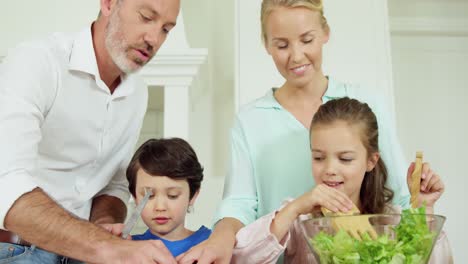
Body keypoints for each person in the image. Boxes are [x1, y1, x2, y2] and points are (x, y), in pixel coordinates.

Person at [177, 1, 414, 263]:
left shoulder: (365, 106)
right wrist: (219, 239)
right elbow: (238, 204)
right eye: (281, 45)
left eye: (307, 40)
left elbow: (400, 197)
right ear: (266, 44)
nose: (296, 56)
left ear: (325, 33)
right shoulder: (251, 120)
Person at [0, 0, 180, 262]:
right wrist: (103, 246)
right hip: (16, 250)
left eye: (166, 29)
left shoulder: (137, 94)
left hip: (81, 254)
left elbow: (114, 184)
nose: (154, 39)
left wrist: (105, 223)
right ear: (108, 4)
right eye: (145, 17)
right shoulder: (36, 61)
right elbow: (5, 182)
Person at [231, 97, 453, 263]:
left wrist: (424, 211)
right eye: (318, 157)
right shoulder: (300, 221)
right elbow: (240, 258)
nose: (329, 169)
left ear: (371, 161)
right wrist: (294, 208)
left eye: (345, 159)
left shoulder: (391, 220)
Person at [127, 138, 211, 257]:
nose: (160, 207)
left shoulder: (211, 244)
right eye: (149, 196)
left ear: (192, 196)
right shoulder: (127, 249)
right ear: (135, 197)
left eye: (172, 195)